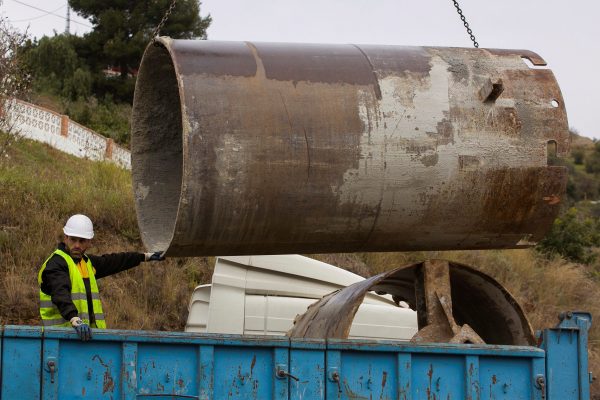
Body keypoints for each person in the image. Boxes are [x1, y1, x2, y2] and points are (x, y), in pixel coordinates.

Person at [38, 214, 165, 341]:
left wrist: (144, 257)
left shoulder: (86, 263)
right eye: (73, 239)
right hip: (58, 338)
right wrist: (74, 318)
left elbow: (114, 261)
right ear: (65, 238)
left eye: (81, 241)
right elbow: (60, 292)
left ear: (89, 242)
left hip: (87, 337)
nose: (77, 245)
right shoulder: (56, 264)